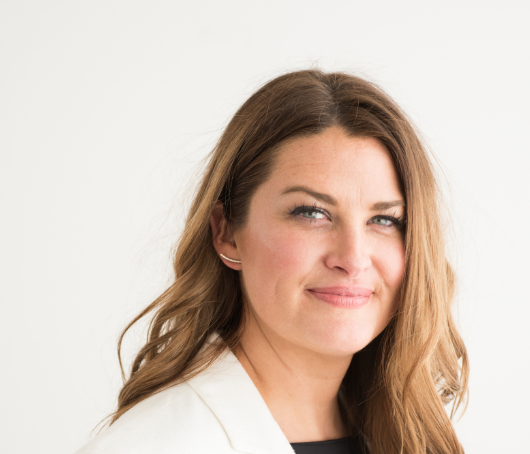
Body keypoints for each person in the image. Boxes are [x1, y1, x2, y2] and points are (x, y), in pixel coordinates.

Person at [74, 69, 469, 454]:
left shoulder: (407, 434)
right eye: (311, 213)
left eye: (384, 220)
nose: (352, 258)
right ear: (226, 232)